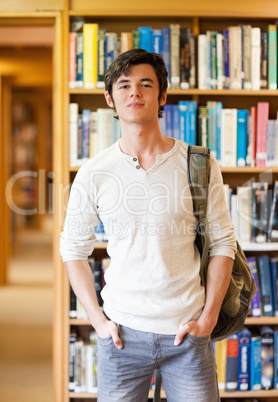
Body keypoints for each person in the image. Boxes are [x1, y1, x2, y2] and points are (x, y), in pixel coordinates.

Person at [60, 48, 237, 402]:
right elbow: (73, 249)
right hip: (121, 336)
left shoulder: (198, 164)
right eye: (124, 85)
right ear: (110, 98)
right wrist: (99, 322)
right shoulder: (94, 172)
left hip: (188, 334)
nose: (135, 93)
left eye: (145, 84)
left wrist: (206, 320)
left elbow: (222, 243)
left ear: (163, 96)